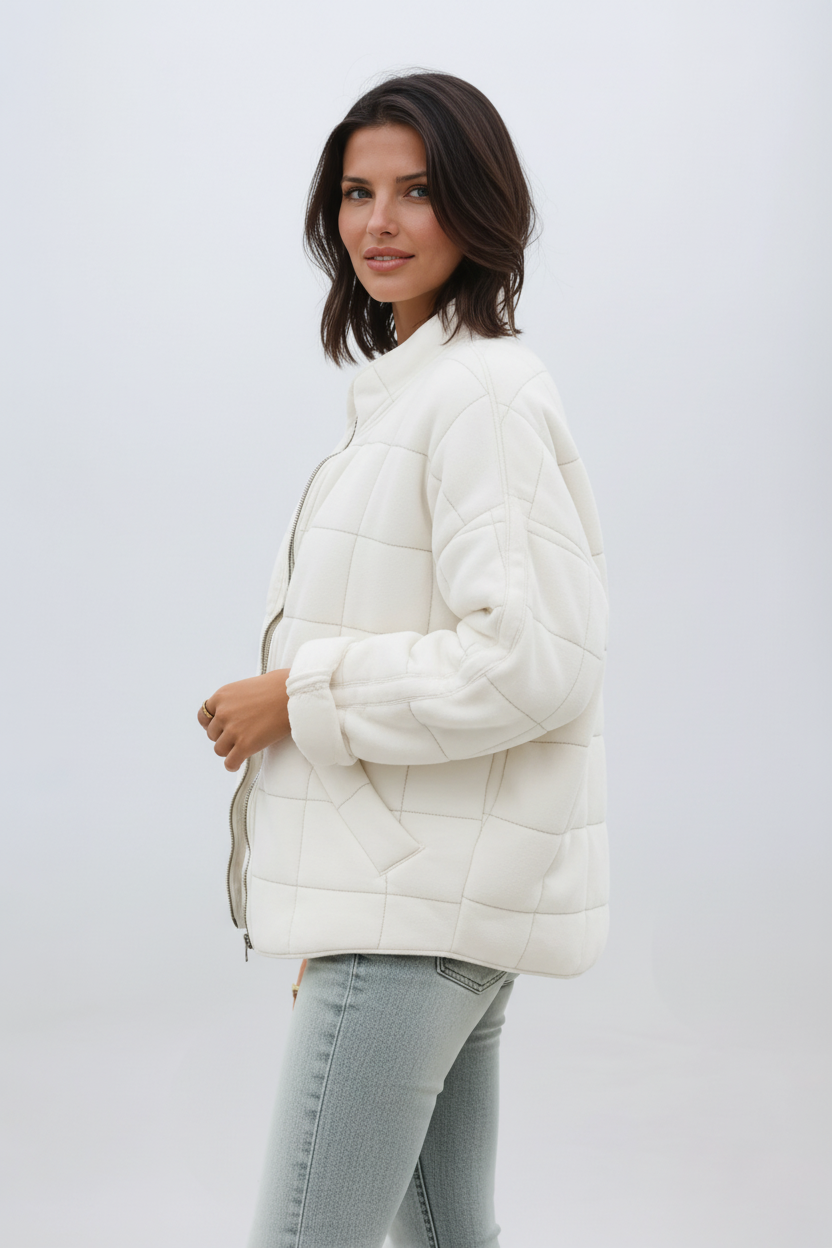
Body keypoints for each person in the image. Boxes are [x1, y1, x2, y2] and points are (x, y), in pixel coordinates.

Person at [197, 70, 609, 1248]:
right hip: (413, 909)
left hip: (413, 925)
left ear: (479, 205)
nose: (378, 222)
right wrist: (336, 908)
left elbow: (530, 663)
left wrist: (298, 695)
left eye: (417, 191)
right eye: (356, 193)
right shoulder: (415, 395)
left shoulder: (478, 396)